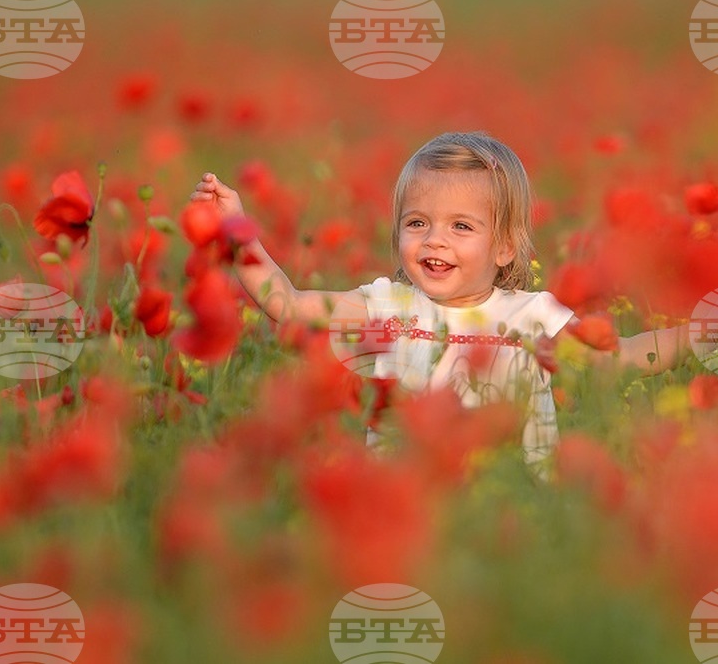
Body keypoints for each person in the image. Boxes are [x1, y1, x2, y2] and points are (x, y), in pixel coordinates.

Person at [191, 131, 688, 470]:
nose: (434, 240)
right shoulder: (389, 308)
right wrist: (234, 229)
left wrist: (699, 335)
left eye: (461, 226)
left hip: (507, 506)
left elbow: (619, 357)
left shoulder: (530, 316)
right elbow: (288, 304)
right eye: (417, 223)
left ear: (504, 246)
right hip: (405, 506)